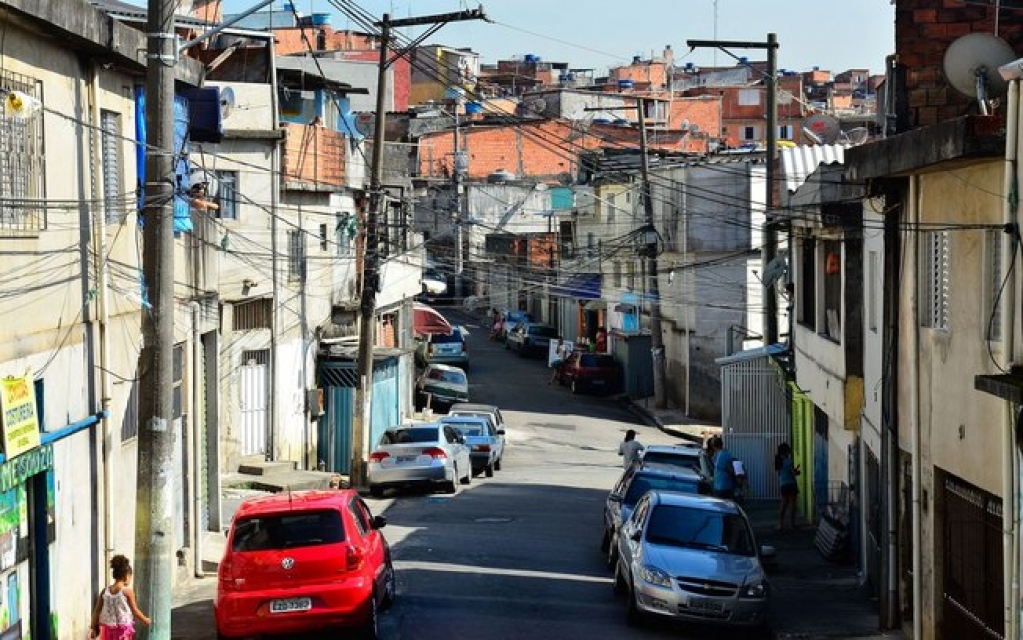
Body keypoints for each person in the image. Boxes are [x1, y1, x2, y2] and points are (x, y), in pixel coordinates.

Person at [91, 554, 150, 640]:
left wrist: (93, 627)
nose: (130, 579)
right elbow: (135, 611)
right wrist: (145, 619)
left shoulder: (105, 591)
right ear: (126, 575)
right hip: (122, 630)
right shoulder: (127, 592)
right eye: (130, 577)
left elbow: (96, 611)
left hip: (108, 629)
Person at [776, 442, 801, 529]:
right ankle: (792, 524)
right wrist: (797, 471)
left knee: (783, 504)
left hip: (783, 485)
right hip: (791, 484)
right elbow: (793, 473)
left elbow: (782, 473)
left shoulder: (778, 461)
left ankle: (780, 524)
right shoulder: (788, 460)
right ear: (786, 451)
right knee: (792, 505)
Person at [710, 436, 738, 500]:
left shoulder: (722, 456)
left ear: (713, 446)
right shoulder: (725, 453)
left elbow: (729, 469)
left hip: (722, 487)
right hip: (723, 485)